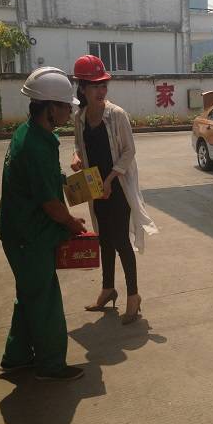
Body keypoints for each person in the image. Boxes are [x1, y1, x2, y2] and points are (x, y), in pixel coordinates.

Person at [0, 67, 87, 381]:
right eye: (65, 106)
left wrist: (68, 181)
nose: (68, 111)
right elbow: (50, 205)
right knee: (45, 300)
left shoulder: (29, 134)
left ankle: (17, 356)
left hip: (17, 231)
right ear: (49, 107)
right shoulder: (36, 145)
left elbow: (41, 181)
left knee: (30, 294)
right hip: (29, 236)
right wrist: (73, 223)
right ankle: (50, 366)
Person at [71, 55, 158, 325]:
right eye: (95, 86)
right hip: (95, 189)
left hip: (116, 187)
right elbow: (79, 146)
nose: (101, 91)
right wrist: (77, 159)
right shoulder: (80, 117)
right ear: (82, 89)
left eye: (103, 85)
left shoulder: (116, 115)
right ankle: (108, 289)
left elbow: (129, 151)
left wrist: (109, 181)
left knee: (120, 241)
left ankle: (133, 296)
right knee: (103, 240)